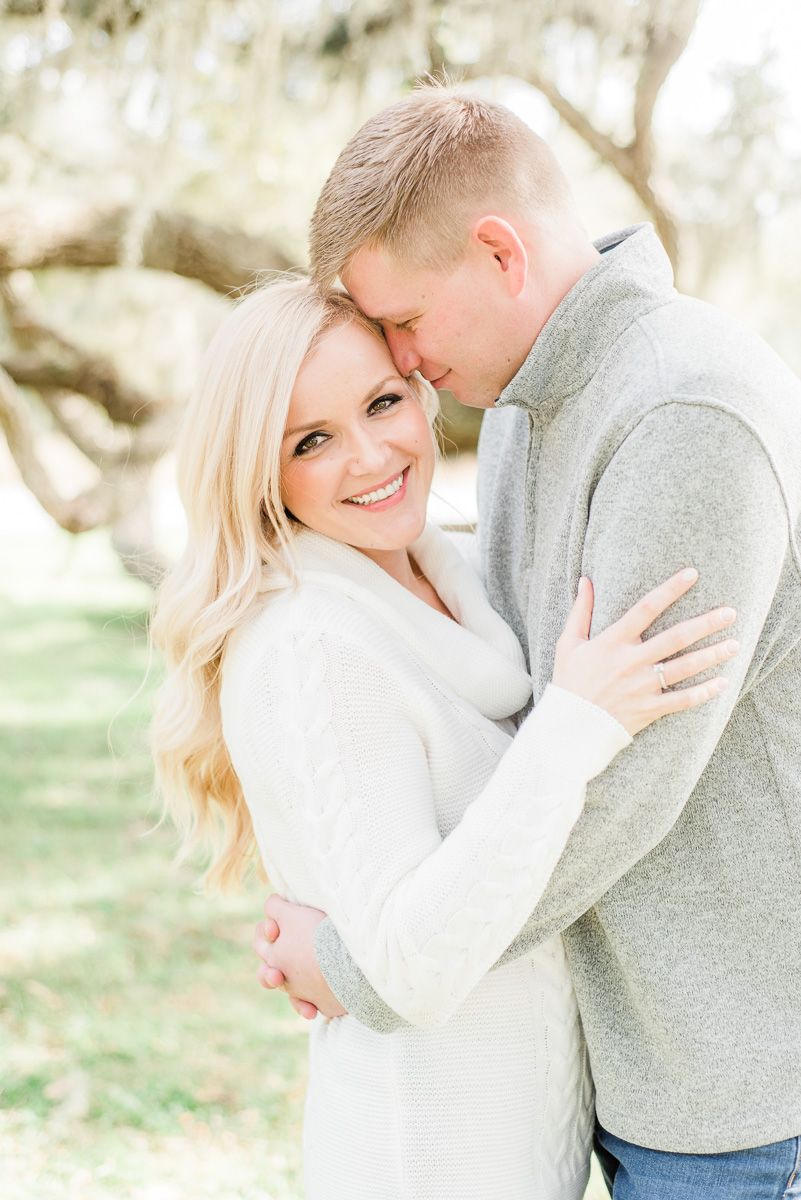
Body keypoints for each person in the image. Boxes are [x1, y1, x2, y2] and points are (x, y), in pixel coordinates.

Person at [252, 89, 801, 1198]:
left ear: (498, 252)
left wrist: (369, 969)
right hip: (625, 1069)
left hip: (740, 1094)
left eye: (403, 319)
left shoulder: (681, 411)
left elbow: (624, 787)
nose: (399, 357)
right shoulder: (518, 407)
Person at [150, 277, 736, 1200]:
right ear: (261, 473)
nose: (371, 455)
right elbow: (407, 964)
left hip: (529, 1150)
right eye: (311, 441)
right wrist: (574, 726)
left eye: (382, 402)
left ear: (420, 393)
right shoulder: (309, 646)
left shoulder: (457, 582)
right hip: (420, 1155)